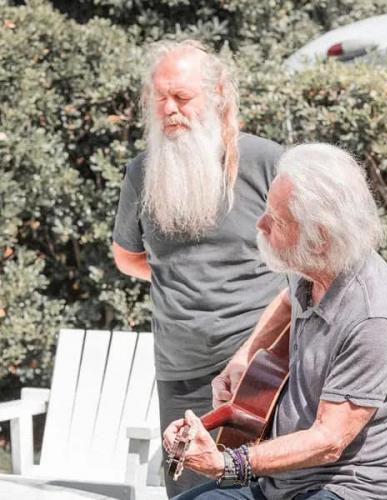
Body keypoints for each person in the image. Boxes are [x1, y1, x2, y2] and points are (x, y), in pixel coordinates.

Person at [163, 144, 387, 500]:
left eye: (277, 220)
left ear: (320, 239)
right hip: (282, 483)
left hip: (350, 490)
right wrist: (245, 358)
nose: (261, 224)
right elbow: (287, 301)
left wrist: (229, 464)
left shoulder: (374, 318)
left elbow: (329, 440)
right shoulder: (313, 270)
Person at [112, 39, 286, 496]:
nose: (170, 109)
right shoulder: (141, 172)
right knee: (193, 494)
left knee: (260, 490)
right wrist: (175, 280)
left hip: (262, 368)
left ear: (218, 95)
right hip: (180, 372)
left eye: (183, 98)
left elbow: (307, 266)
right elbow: (127, 257)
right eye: (160, 99)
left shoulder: (269, 162)